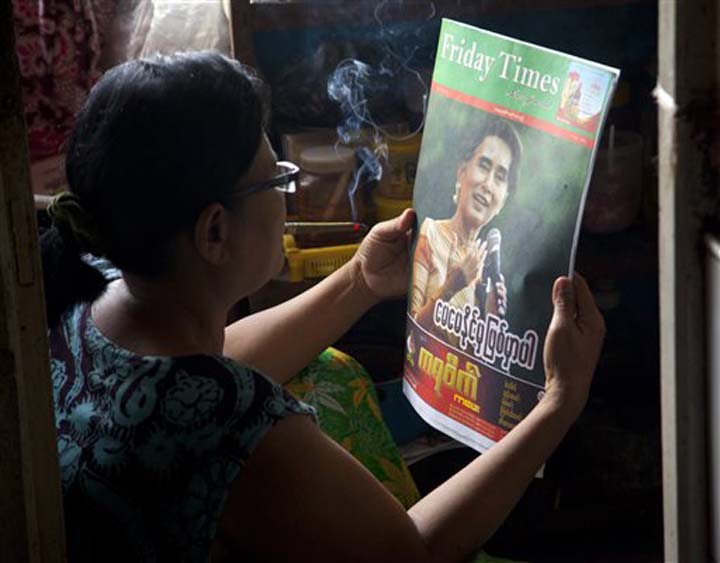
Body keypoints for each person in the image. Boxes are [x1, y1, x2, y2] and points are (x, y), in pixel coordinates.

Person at [42, 51, 605, 563]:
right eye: (277, 182)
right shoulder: (233, 429)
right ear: (215, 232)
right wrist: (559, 399)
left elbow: (218, 362)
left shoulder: (98, 293)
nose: (287, 197)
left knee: (328, 369)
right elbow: (411, 554)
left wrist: (358, 280)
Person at [410, 119, 522, 336]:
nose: (488, 185)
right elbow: (413, 332)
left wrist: (489, 317)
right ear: (462, 171)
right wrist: (453, 285)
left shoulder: (483, 273)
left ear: (504, 201)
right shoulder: (430, 233)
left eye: (500, 177)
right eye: (484, 166)